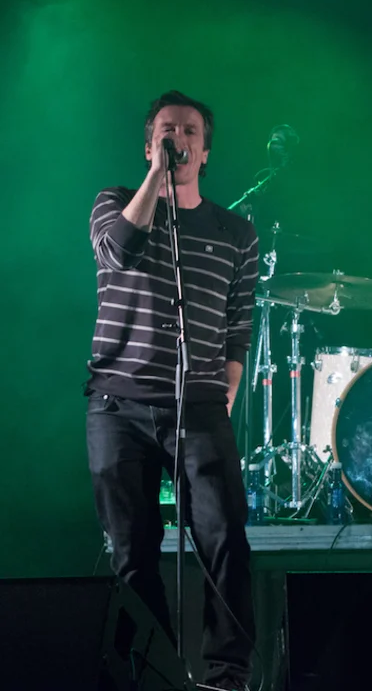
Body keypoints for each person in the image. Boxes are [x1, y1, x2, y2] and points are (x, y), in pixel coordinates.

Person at [85, 90, 259, 691]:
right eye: (166, 129)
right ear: (148, 144)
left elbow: (239, 324)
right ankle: (149, 673)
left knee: (224, 538)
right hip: (119, 404)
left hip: (200, 404)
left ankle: (227, 676)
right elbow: (117, 251)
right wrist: (155, 180)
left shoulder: (236, 231)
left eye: (189, 131)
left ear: (205, 151)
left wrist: (226, 390)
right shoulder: (114, 203)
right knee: (131, 551)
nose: (177, 138)